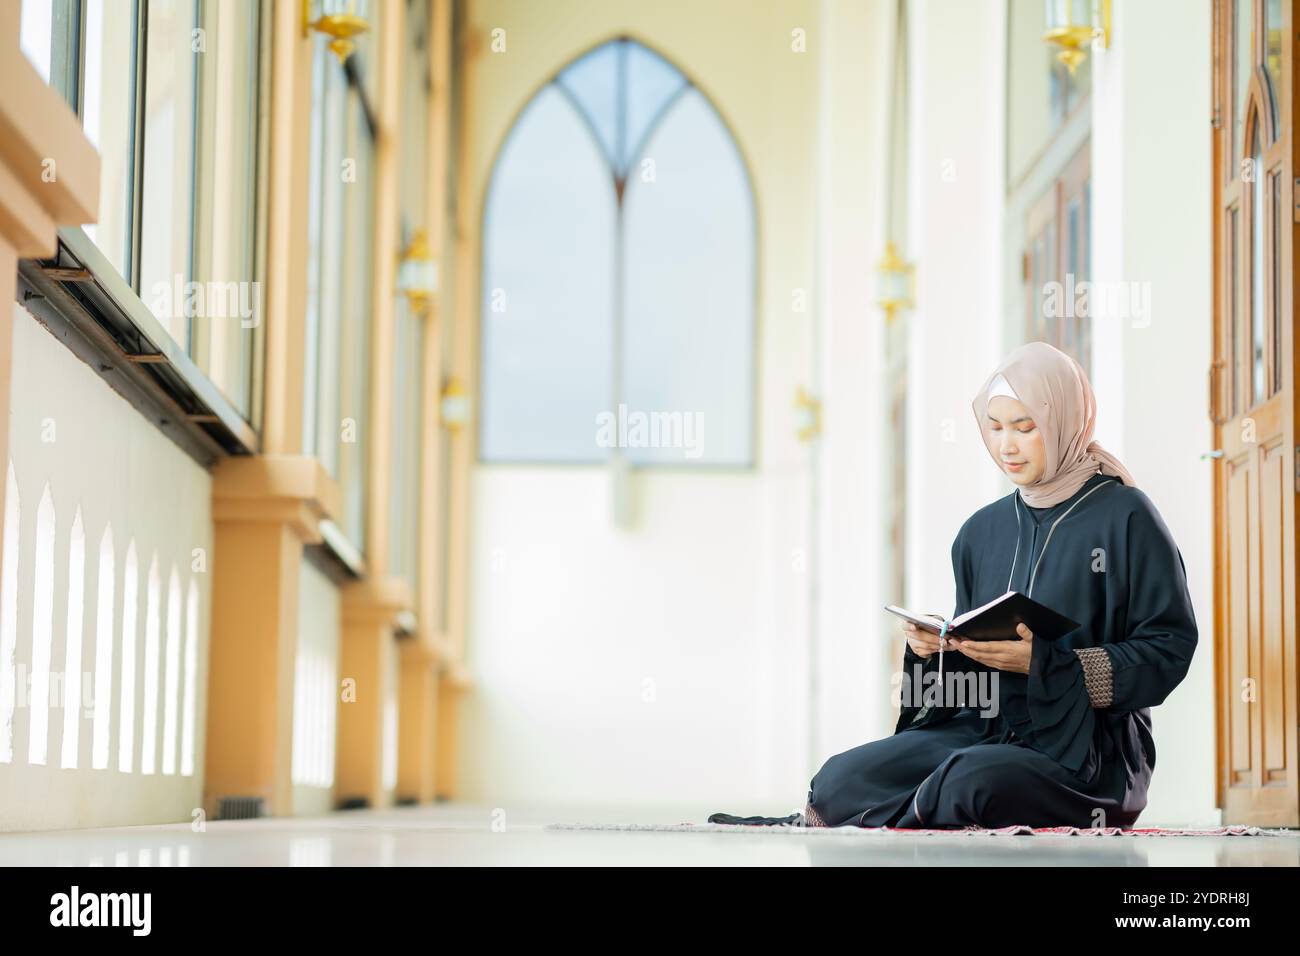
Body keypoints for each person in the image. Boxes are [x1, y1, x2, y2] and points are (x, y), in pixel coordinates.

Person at [709, 341, 1197, 829]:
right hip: (983, 732)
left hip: (1088, 754)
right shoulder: (980, 533)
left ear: (1064, 421)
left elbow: (1169, 648)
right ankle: (900, 816)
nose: (1007, 445)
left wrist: (1051, 665)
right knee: (839, 779)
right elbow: (968, 690)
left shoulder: (1126, 517)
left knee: (968, 781)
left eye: (1025, 428)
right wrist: (932, 653)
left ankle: (882, 823)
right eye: (995, 427)